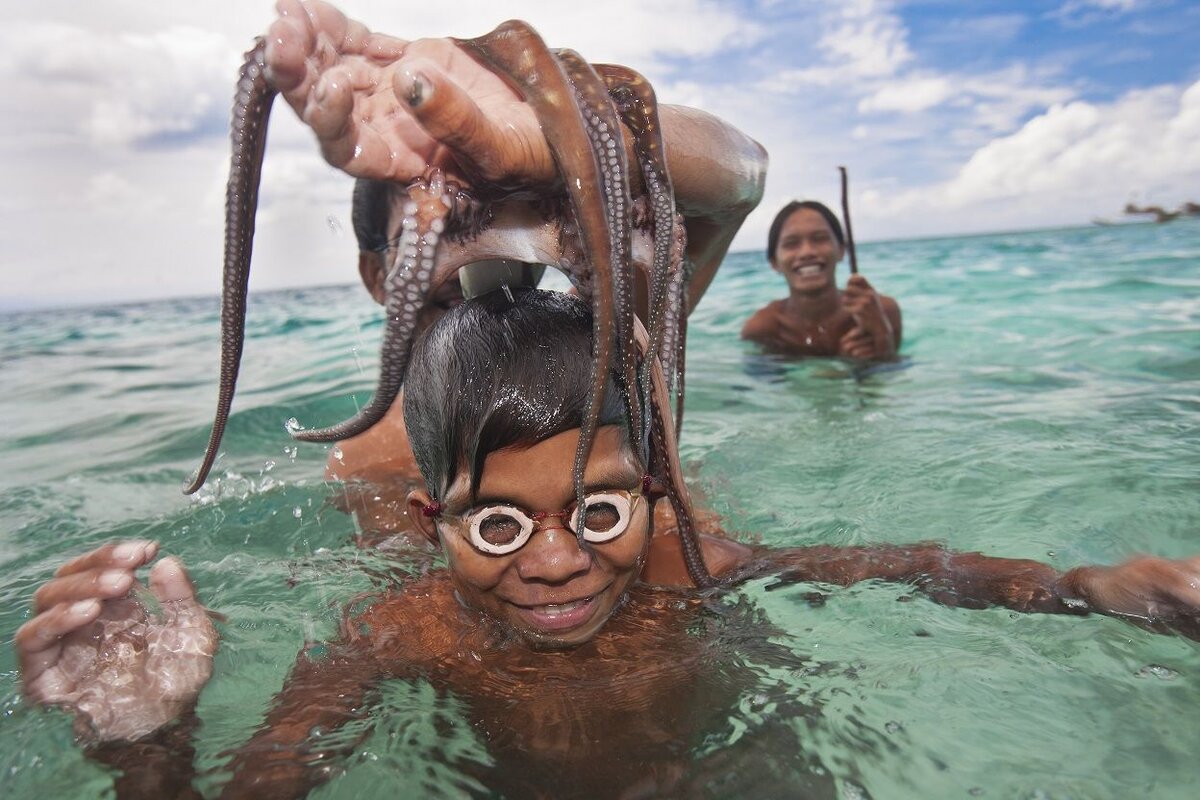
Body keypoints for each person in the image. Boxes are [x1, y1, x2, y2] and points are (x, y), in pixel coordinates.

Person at [17, 288, 1200, 798]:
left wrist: (1084, 586)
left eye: (597, 510)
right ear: (432, 526)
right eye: (495, 523)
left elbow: (907, 567)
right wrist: (149, 750)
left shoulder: (691, 562)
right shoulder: (398, 627)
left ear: (654, 496)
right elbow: (268, 781)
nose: (552, 561)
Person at [742, 200, 902, 360]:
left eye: (819, 239)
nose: (807, 252)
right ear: (774, 262)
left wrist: (882, 337)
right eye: (791, 243)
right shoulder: (763, 329)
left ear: (841, 250)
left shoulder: (881, 312)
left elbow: (891, 378)